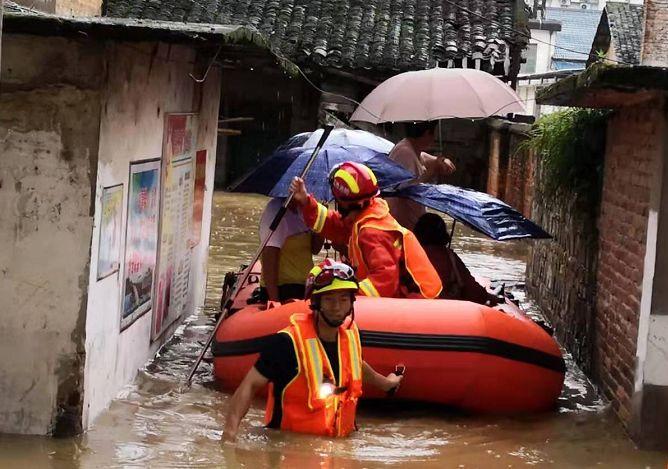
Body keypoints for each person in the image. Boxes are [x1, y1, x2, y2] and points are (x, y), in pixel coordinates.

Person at [223, 259, 403, 440]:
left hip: (338, 447)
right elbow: (249, 386)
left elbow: (355, 364)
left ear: (351, 302)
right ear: (315, 302)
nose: (337, 307)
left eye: (343, 299)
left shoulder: (350, 336)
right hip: (288, 449)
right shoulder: (286, 343)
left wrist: (385, 383)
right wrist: (228, 438)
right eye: (329, 299)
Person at [289, 161, 442, 299]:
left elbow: (385, 280)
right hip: (407, 296)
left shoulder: (372, 232)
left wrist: (347, 295)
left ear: (345, 204)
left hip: (415, 301)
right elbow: (336, 226)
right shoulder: (367, 213)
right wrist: (305, 201)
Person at [413, 213, 499, 306]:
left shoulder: (407, 256)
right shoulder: (450, 258)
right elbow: (474, 293)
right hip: (445, 312)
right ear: (442, 234)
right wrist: (490, 297)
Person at [386, 122, 457, 230]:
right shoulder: (405, 152)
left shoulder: (412, 148)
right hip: (401, 225)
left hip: (409, 224)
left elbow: (425, 157)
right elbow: (408, 190)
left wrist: (441, 161)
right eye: (433, 134)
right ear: (427, 133)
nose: (433, 139)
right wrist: (433, 170)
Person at [258, 197, 323, 302]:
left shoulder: (309, 208)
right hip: (282, 288)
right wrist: (274, 302)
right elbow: (269, 258)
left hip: (305, 284)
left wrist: (321, 222)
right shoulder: (276, 211)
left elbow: (315, 249)